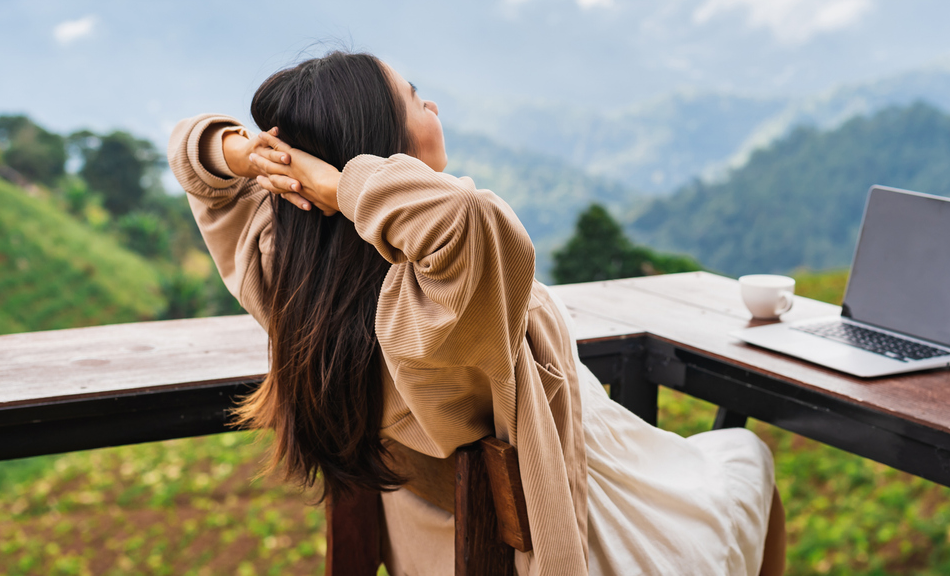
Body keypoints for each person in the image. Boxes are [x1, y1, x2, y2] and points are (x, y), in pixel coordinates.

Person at [168, 50, 785, 576]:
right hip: (589, 523)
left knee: (717, 458)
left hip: (435, 545)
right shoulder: (423, 314)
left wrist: (251, 157)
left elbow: (191, 154)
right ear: (378, 154)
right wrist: (341, 187)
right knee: (743, 458)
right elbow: (473, 219)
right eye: (415, 100)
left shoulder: (292, 284)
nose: (433, 108)